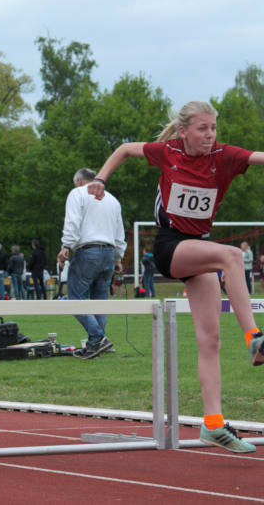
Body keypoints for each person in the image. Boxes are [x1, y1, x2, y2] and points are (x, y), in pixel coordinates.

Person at [88, 100, 264, 453]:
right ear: (183, 132)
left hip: (197, 248)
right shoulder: (167, 151)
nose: (210, 135)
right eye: (202, 129)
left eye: (213, 128)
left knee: (209, 340)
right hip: (170, 247)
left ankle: (212, 424)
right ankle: (254, 336)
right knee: (231, 255)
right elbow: (123, 149)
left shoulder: (224, 157)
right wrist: (100, 179)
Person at [57, 167, 126, 360]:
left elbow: (73, 222)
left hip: (87, 251)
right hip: (109, 252)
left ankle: (97, 338)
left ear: (79, 181)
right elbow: (119, 231)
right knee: (100, 300)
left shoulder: (77, 193)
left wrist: (66, 246)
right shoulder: (112, 199)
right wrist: (118, 257)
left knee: (75, 299)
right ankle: (97, 343)